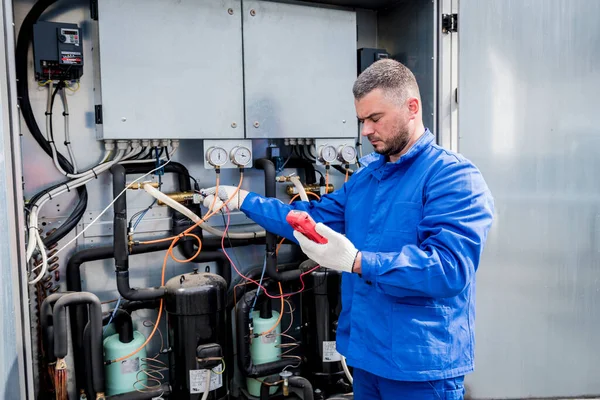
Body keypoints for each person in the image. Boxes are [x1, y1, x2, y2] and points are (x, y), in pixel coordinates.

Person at [201, 59, 494, 400]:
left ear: (411, 108)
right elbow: (309, 219)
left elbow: (448, 269)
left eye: (375, 118)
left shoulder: (452, 177)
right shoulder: (368, 177)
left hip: (420, 366)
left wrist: (358, 261)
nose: (366, 131)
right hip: (367, 358)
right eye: (361, 120)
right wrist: (244, 200)